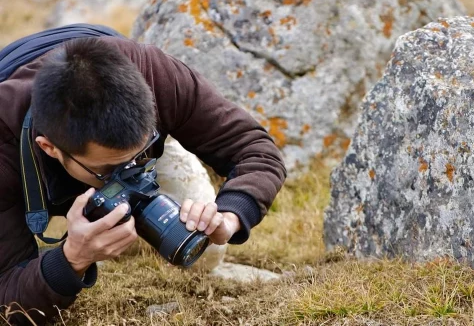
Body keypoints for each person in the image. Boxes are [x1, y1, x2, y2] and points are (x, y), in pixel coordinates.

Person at [0, 24, 286, 325]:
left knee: (202, 250)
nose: (129, 174)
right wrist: (71, 259)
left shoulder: (156, 74)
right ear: (49, 148)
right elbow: (7, 302)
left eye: (138, 158)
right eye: (111, 170)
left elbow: (256, 151)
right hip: (16, 168)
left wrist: (229, 218)